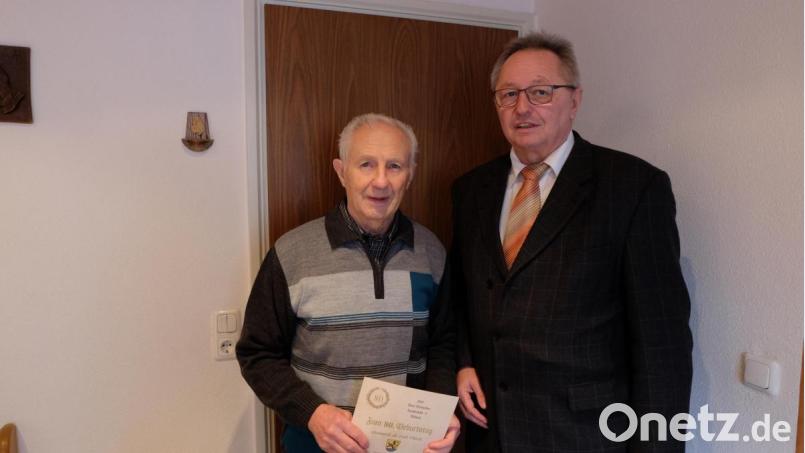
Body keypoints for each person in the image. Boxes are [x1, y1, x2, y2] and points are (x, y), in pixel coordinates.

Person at [448, 32, 693, 452]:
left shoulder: (632, 188)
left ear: (574, 100)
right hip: (490, 432)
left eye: (541, 92)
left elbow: (662, 344)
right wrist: (464, 360)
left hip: (585, 436)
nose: (522, 107)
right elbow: (461, 298)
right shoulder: (471, 190)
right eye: (508, 94)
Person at [237, 113, 460, 453]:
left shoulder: (431, 252)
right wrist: (312, 413)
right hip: (316, 443)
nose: (381, 181)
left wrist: (441, 409)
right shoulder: (291, 253)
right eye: (366, 165)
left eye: (395, 166)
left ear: (410, 176)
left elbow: (443, 344)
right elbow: (257, 353)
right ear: (342, 172)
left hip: (409, 445)